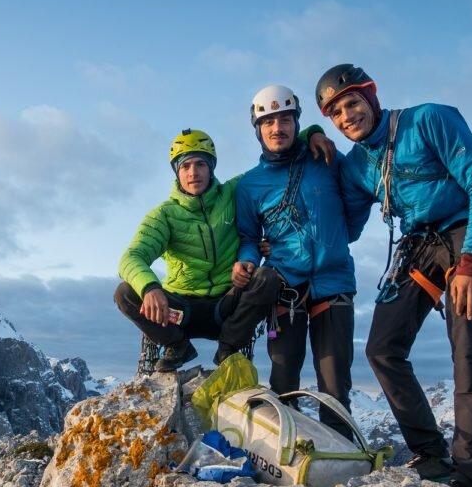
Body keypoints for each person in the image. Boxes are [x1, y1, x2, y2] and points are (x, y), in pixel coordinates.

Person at [316, 63, 472, 487]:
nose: (347, 117)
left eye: (352, 104)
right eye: (336, 114)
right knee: (383, 348)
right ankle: (430, 454)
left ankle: (467, 479)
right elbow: (347, 227)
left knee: (468, 351)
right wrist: (311, 143)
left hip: (466, 233)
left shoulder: (430, 119)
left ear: (371, 96)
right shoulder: (356, 166)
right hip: (420, 244)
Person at [115, 127, 332, 372]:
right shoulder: (163, 215)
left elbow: (273, 158)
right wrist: (150, 288)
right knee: (125, 293)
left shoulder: (233, 192)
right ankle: (178, 346)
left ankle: (228, 349)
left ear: (211, 167)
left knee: (266, 279)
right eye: (185, 166)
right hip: (180, 311)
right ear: (177, 172)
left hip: (225, 306)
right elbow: (131, 257)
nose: (193, 172)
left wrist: (311, 134)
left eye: (200, 164)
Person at [232, 85, 365, 438]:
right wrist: (247, 259)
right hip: (285, 287)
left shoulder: (327, 160)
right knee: (283, 378)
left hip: (334, 283)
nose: (278, 128)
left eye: (286, 119)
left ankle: (340, 460)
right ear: (257, 130)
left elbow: (358, 198)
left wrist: (342, 235)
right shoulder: (249, 186)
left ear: (296, 122)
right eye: (268, 121)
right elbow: (248, 236)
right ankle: (284, 456)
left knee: (335, 386)